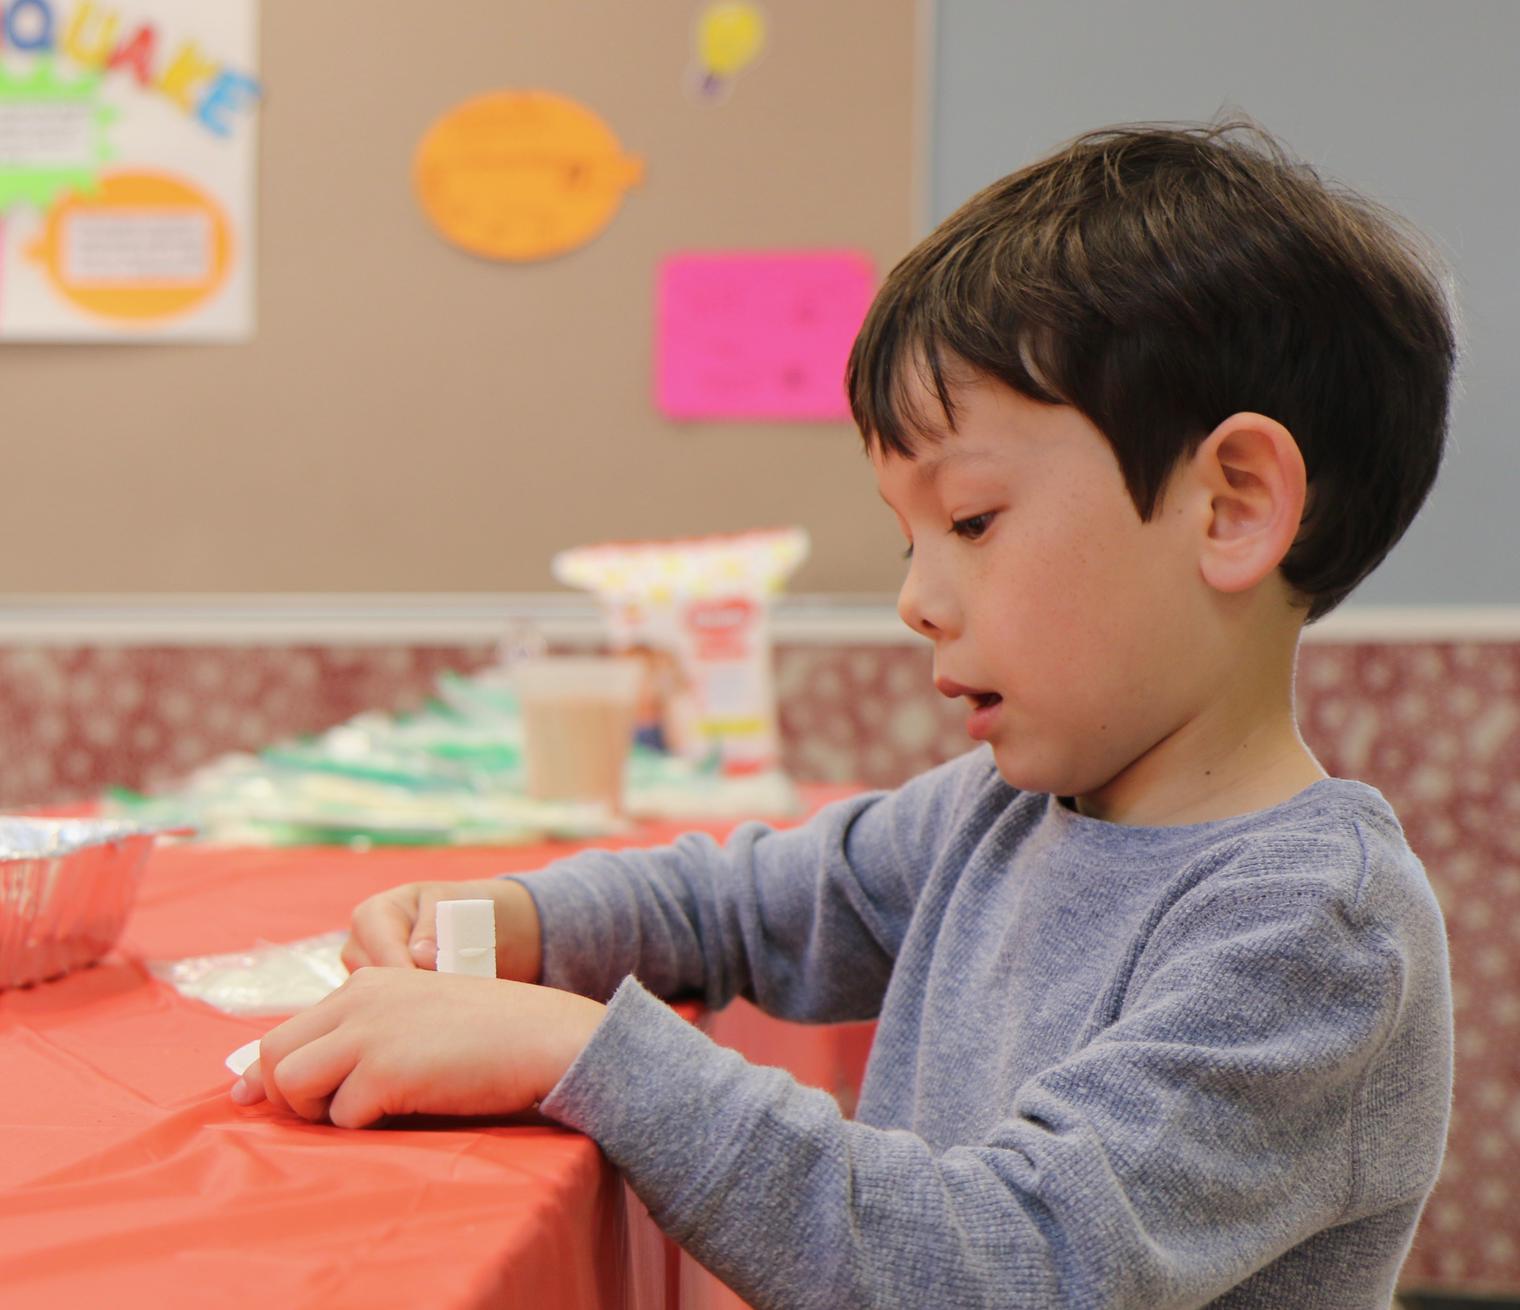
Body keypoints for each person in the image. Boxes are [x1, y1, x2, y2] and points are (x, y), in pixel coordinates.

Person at [231, 115, 1459, 1309]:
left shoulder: (1312, 930)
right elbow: (738, 905)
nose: (916, 599)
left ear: (1231, 505)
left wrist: (572, 1052)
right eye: (907, 538)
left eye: (971, 520)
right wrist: (516, 921)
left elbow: (1001, 1258)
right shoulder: (999, 814)